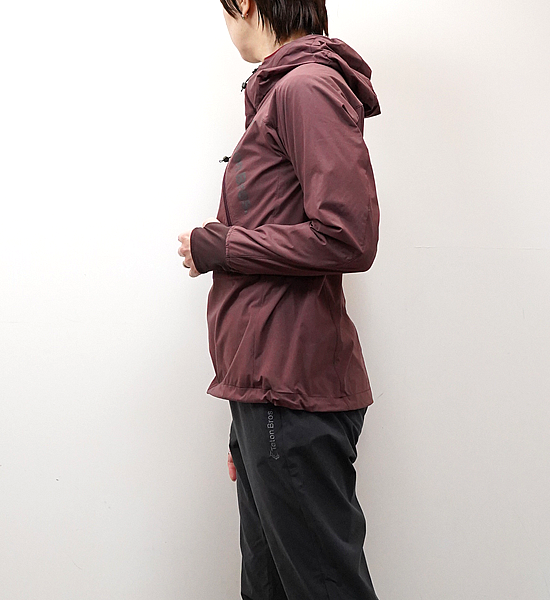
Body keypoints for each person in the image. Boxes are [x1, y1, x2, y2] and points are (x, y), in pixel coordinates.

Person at [178, 1, 381, 598]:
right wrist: (243, 422)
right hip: (267, 391)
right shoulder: (283, 91)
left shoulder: (305, 87)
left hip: (288, 394)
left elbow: (348, 236)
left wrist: (221, 246)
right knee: (267, 589)